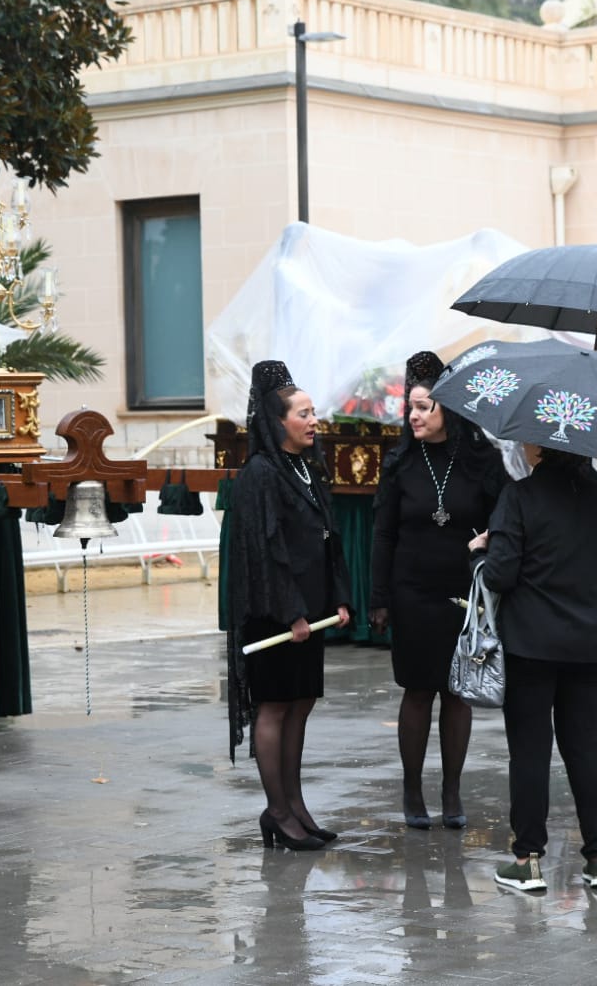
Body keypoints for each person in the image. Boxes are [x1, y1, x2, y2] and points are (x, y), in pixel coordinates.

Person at [469, 444, 597, 893]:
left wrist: (481, 551)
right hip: (591, 643)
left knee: (531, 750)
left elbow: (500, 575)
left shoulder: (519, 497)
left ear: (540, 445)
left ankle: (528, 859)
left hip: (531, 644)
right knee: (587, 747)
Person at [369, 351, 508, 829]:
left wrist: (490, 545)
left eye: (424, 407)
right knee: (418, 690)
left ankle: (452, 791)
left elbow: (502, 519)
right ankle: (412, 789)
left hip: (463, 592)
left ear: (448, 407)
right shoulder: (400, 462)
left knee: (457, 693)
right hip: (412, 591)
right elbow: (383, 532)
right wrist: (379, 597)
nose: (414, 416)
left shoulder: (481, 460)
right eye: (410, 408)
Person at [226, 360, 353, 851]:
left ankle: (296, 806)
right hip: (275, 615)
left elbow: (328, 538)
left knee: (301, 705)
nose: (314, 420)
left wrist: (338, 597)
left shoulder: (305, 467)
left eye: (313, 411)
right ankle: (277, 811)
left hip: (310, 611)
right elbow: (265, 551)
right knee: (275, 707)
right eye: (304, 413)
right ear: (277, 422)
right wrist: (291, 612)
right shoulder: (260, 474)